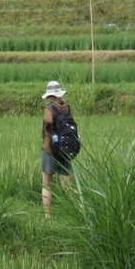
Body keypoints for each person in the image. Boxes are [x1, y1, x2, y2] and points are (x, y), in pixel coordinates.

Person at [40, 80, 73, 218]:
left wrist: (48, 133)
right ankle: (81, 209)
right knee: (68, 187)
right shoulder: (67, 108)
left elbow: (48, 123)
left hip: (50, 149)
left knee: (47, 184)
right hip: (65, 148)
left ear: (49, 96)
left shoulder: (49, 109)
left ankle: (47, 216)